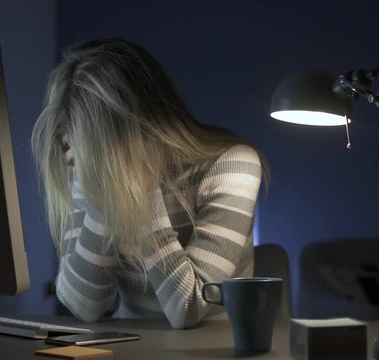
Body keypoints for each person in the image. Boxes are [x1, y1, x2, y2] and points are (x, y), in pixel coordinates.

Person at [31, 38, 268, 329]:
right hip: (131, 345)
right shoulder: (93, 168)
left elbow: (189, 307)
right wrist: (102, 187)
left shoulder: (232, 164)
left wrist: (140, 190)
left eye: (98, 150)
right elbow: (84, 306)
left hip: (211, 347)